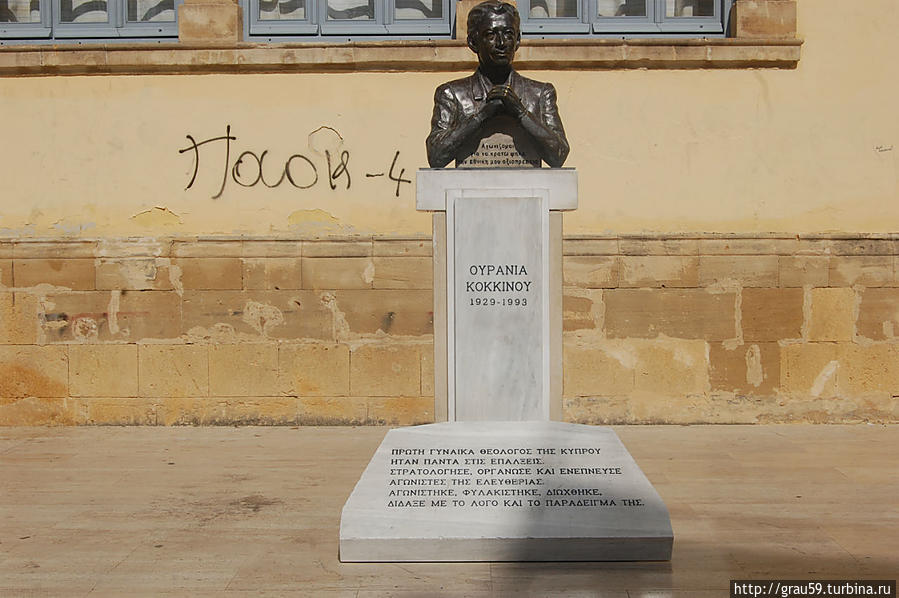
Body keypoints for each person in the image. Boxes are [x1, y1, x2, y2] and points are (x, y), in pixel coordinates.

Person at [425, 0, 570, 168]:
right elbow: (436, 156)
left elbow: (559, 155)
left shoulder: (540, 93)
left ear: (517, 41)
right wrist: (482, 116)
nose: (501, 43)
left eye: (508, 34)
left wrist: (521, 113)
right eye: (490, 35)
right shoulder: (452, 94)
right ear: (473, 42)